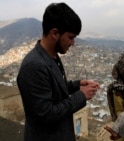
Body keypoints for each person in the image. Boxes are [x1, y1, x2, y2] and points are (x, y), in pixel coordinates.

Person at [16, 2, 100, 141]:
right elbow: (47, 114)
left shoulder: (52, 56)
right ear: (55, 33)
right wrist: (81, 96)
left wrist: (76, 85)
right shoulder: (33, 66)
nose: (73, 43)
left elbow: (53, 90)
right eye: (71, 37)